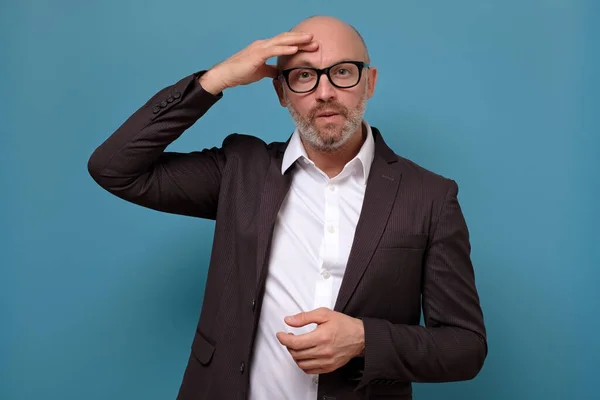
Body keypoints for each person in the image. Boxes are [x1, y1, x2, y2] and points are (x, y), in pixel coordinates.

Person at [88, 15, 487, 400]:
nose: (325, 92)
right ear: (281, 92)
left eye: (343, 72)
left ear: (369, 82)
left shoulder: (430, 197)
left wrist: (365, 340)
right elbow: (114, 168)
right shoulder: (240, 172)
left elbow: (465, 346)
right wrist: (215, 79)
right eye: (304, 76)